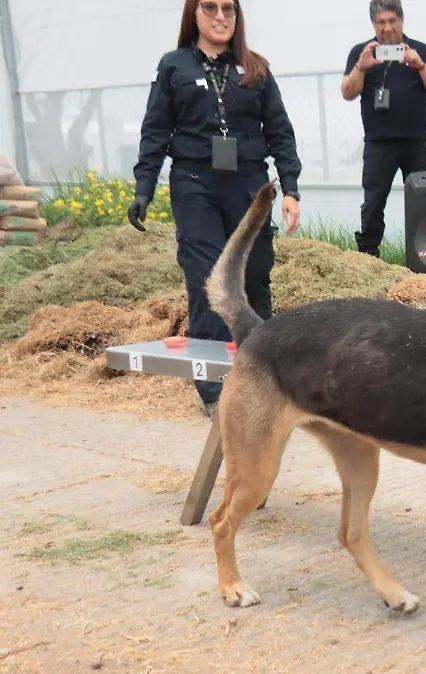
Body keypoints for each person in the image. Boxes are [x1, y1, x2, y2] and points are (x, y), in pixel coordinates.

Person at [128, 0, 303, 418]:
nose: (220, 16)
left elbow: (279, 130)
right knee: (207, 280)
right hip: (194, 185)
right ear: (195, 14)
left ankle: (262, 376)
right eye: (210, 7)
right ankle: (213, 388)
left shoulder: (256, 68)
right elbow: (155, 130)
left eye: (229, 8)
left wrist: (291, 189)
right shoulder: (174, 66)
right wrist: (144, 187)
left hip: (247, 185)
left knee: (255, 276)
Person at [341, 0, 426, 257]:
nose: (387, 28)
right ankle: (368, 255)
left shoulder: (419, 50)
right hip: (378, 144)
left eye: (392, 21)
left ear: (401, 20)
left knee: (424, 201)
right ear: (373, 24)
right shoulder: (361, 52)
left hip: (416, 142)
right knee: (373, 203)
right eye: (381, 22)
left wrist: (420, 65)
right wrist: (361, 67)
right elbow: (347, 92)